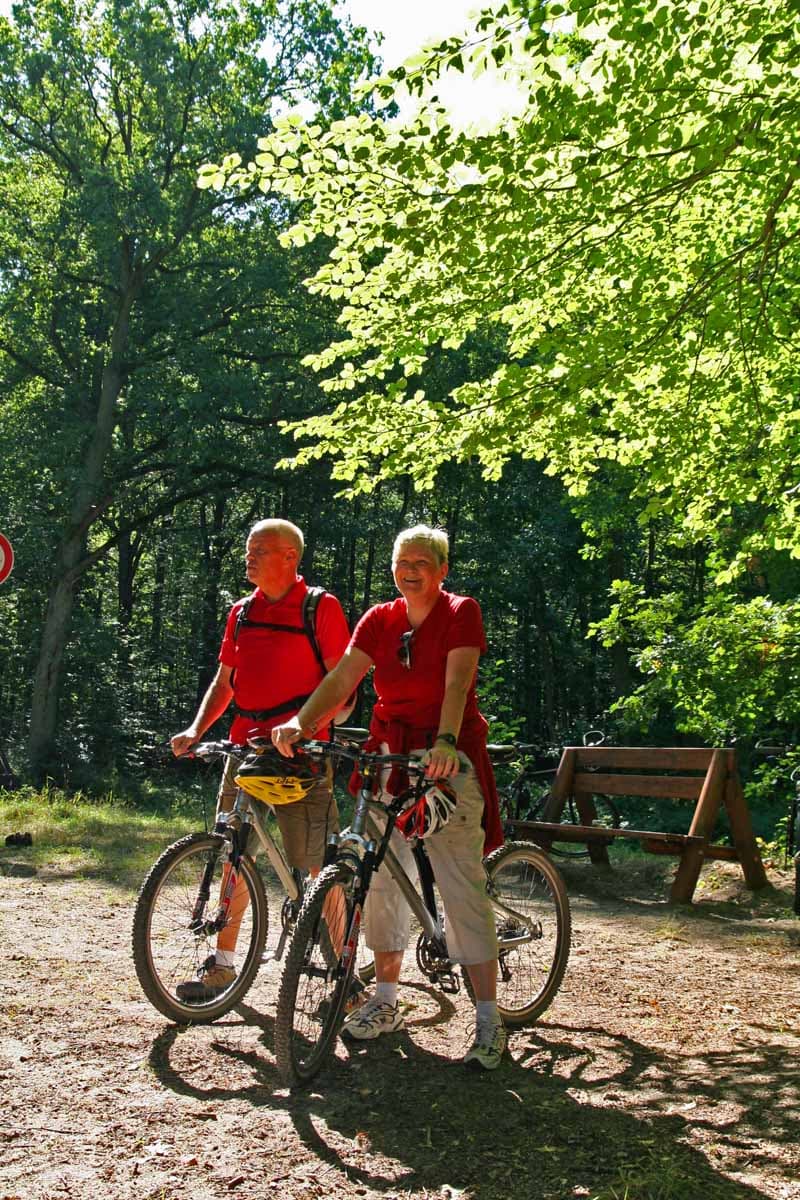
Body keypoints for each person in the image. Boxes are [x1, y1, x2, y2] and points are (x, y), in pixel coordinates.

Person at [272, 524, 506, 1071]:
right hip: (389, 756)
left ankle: (489, 1020)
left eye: (422, 562)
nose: (410, 570)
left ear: (442, 569)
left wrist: (445, 742)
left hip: (444, 756)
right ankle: (385, 999)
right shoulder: (379, 619)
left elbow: (457, 684)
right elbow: (343, 679)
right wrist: (302, 722)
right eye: (402, 562)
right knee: (378, 878)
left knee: (459, 882)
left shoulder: (461, 611)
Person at [171, 518, 351, 1000]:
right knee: (233, 852)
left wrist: (305, 728)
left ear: (291, 557)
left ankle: (345, 975)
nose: (248, 557)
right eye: (248, 549)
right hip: (246, 751)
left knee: (320, 865)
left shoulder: (321, 608)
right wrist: (196, 729)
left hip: (301, 756)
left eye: (260, 550)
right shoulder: (241, 612)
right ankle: (223, 965)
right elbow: (224, 682)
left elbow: (343, 687)